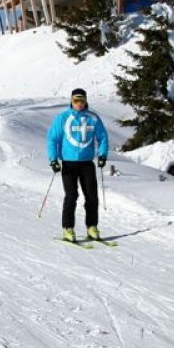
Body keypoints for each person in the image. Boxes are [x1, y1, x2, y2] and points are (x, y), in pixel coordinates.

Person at [47, 88, 109, 243]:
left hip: (87, 163)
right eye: (76, 101)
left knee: (92, 196)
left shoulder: (93, 118)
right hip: (69, 163)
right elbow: (52, 139)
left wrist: (102, 155)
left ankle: (92, 227)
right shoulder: (62, 118)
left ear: (86, 101)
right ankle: (68, 229)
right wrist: (53, 159)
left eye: (82, 100)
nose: (79, 104)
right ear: (71, 101)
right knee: (71, 195)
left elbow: (102, 137)